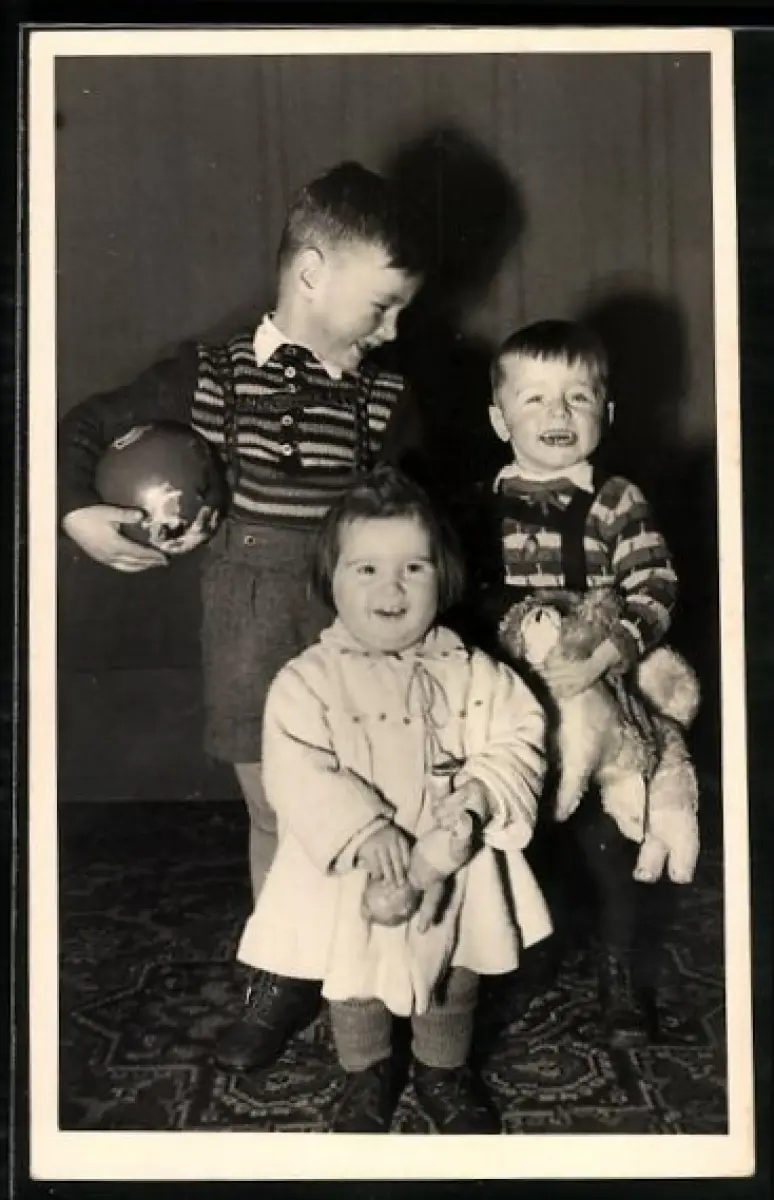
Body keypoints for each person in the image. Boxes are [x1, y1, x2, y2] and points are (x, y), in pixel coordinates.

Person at [57, 162, 426, 1071]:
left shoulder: (388, 397)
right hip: (248, 624)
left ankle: (368, 976)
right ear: (312, 274)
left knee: (365, 799)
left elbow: (419, 522)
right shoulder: (210, 373)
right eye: (382, 307)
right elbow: (81, 428)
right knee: (273, 809)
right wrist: (79, 515)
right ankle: (280, 974)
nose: (393, 330)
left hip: (352, 631)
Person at [235, 465, 551, 1132]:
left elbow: (520, 737)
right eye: (367, 569)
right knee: (354, 974)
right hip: (355, 867)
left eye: (413, 568)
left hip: (453, 861)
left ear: (445, 576)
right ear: (331, 580)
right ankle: (366, 1071)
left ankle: (443, 1069)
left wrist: (479, 793)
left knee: (455, 969)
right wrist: (361, 828)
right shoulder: (307, 680)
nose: (392, 588)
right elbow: (295, 767)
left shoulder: (475, 673)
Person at [476, 318, 691, 1048]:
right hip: (513, 697)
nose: (558, 413)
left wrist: (605, 657)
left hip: (599, 695)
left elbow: (655, 586)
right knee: (518, 830)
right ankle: (525, 952)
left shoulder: (616, 500)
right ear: (500, 418)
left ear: (607, 411)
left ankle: (620, 970)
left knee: (609, 835)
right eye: (534, 398)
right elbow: (466, 593)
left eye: (578, 396)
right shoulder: (481, 505)